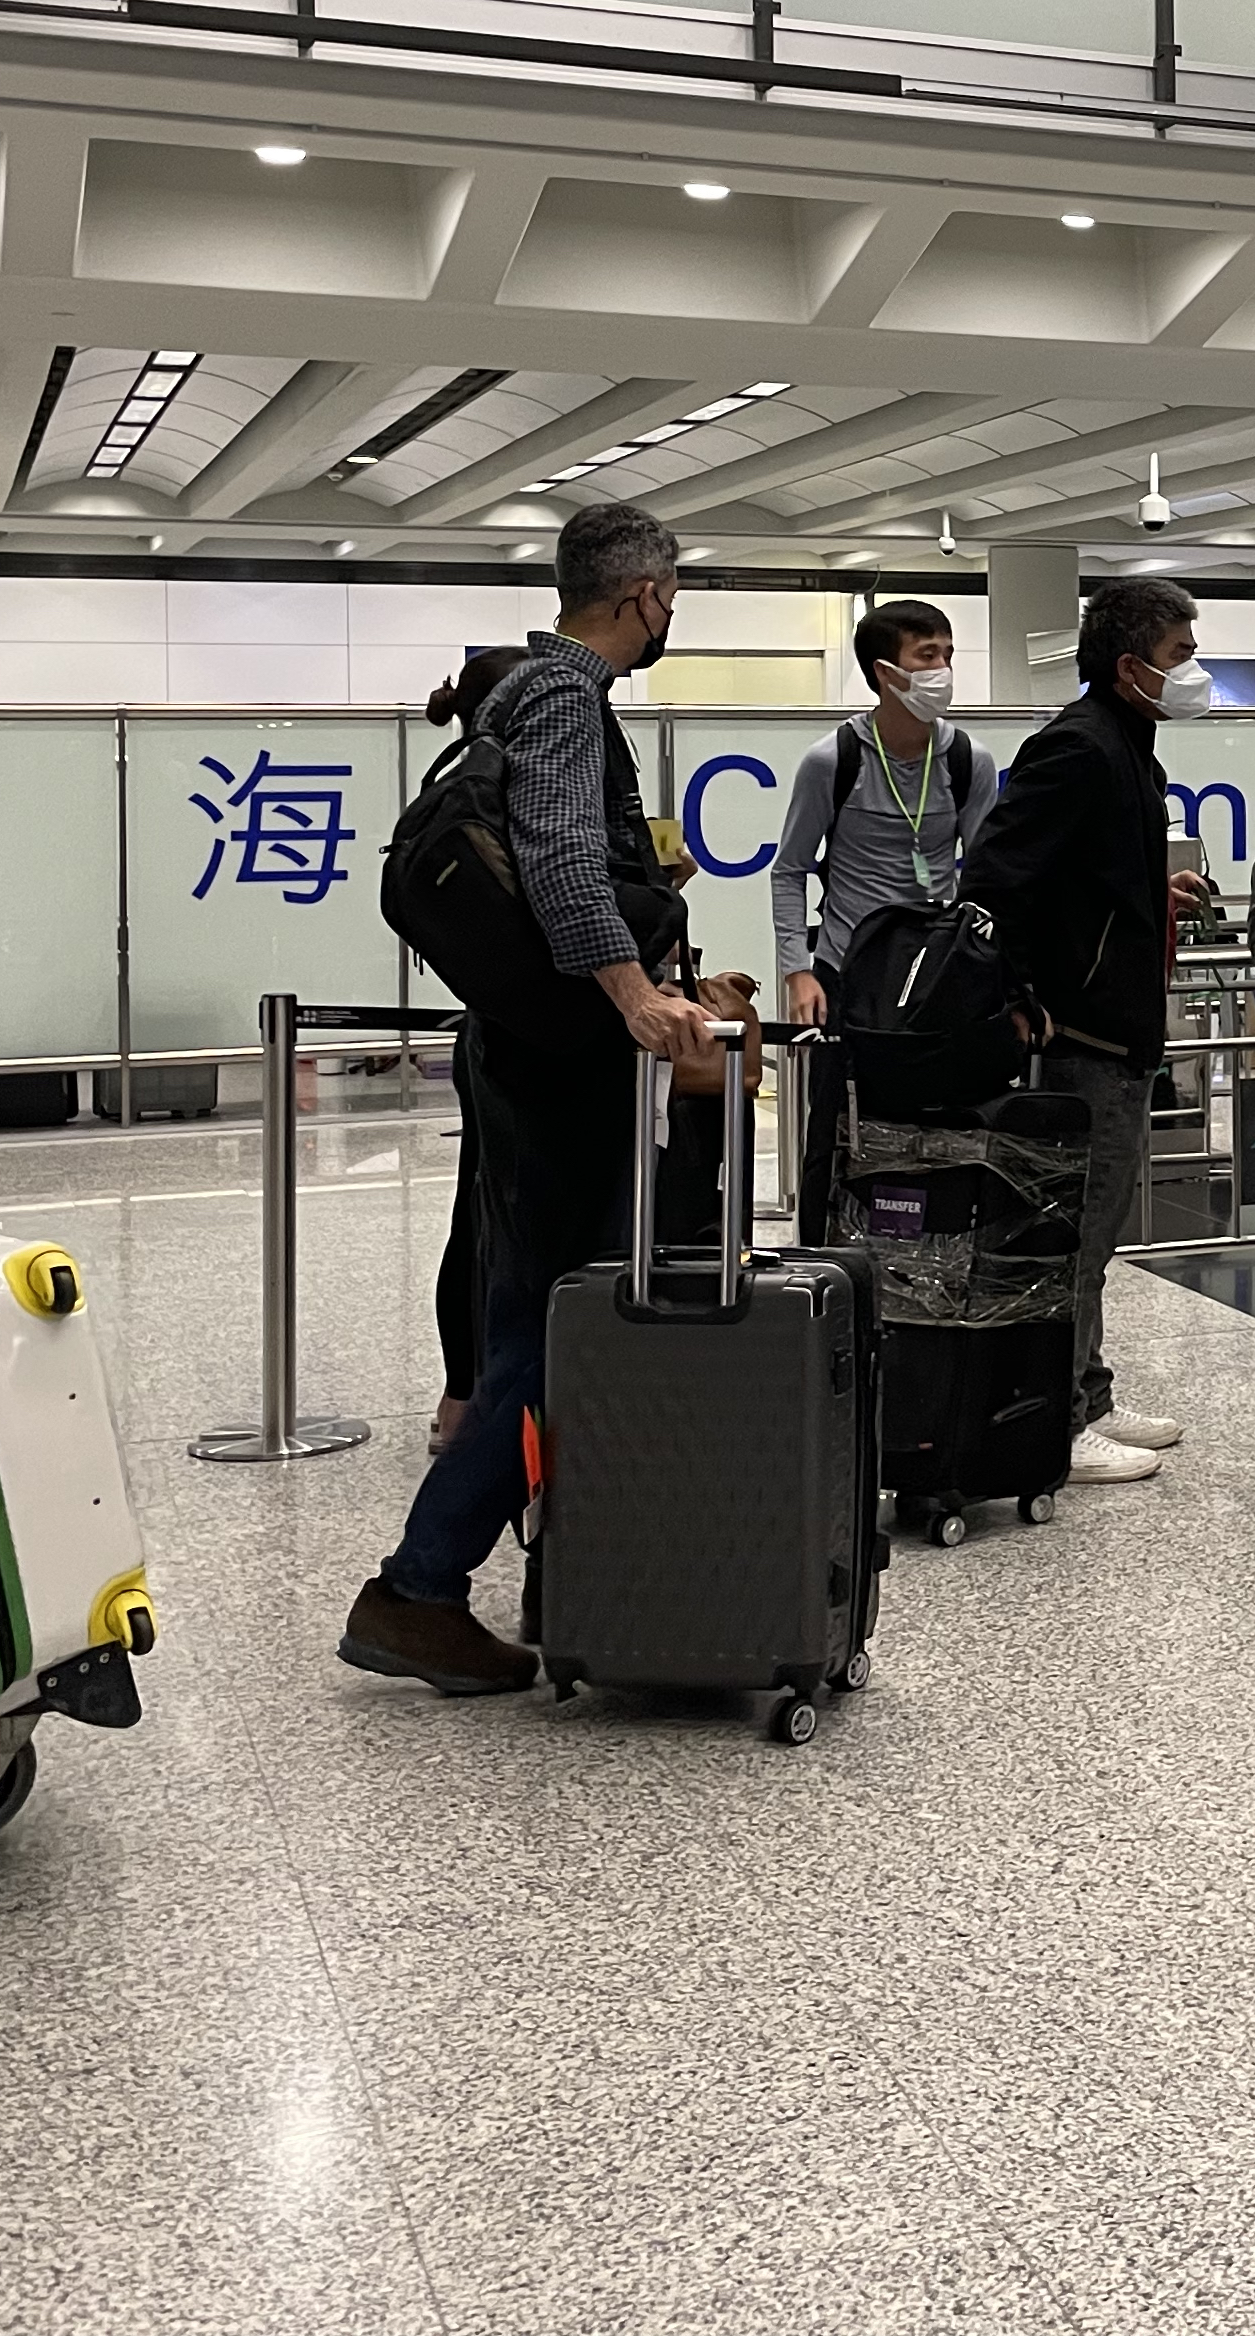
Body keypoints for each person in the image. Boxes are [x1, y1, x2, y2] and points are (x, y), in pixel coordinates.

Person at [340, 502, 755, 1695]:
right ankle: (418, 1587)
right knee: (559, 1325)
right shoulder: (566, 698)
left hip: (518, 1039)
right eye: (671, 596)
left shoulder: (517, 693)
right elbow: (571, 861)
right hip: (566, 1057)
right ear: (646, 598)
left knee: (533, 1314)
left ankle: (496, 1574)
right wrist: (632, 996)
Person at [959, 574, 1213, 1487]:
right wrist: (1027, 991)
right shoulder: (1077, 748)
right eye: (1181, 655)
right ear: (1129, 664)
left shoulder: (1128, 746)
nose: (1194, 672)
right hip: (1084, 1039)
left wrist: (1155, 892)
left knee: (1094, 1232)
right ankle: (1056, 1420)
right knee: (1071, 1234)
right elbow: (993, 879)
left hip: (1118, 1027)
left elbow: (1083, 877)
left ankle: (1089, 1391)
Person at [772, 597, 996, 1240]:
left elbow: (983, 875)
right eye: (927, 656)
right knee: (833, 1129)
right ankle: (817, 1258)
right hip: (847, 972)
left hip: (935, 977)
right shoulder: (832, 760)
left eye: (948, 654)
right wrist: (798, 971)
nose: (943, 670)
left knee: (932, 1126)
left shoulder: (967, 761)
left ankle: (928, 1253)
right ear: (883, 673)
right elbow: (789, 870)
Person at [418, 645, 530, 1457]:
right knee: (508, 1218)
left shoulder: (463, 784)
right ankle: (485, 1395)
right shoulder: (516, 791)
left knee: (474, 1209)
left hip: (483, 1030)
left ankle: (462, 1394)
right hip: (528, 1039)